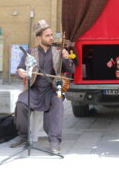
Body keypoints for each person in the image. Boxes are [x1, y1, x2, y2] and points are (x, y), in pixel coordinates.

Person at [10, 19, 75, 154]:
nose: (51, 38)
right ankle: (23, 135)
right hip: (34, 89)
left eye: (51, 35)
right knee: (21, 103)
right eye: (47, 35)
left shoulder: (58, 51)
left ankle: (54, 141)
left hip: (51, 90)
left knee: (58, 102)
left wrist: (67, 58)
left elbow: (72, 70)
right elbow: (19, 69)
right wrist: (20, 73)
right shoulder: (30, 52)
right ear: (39, 38)